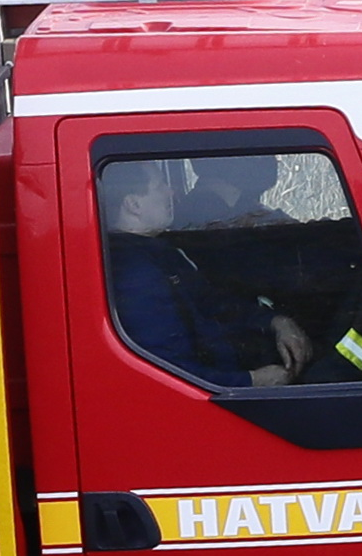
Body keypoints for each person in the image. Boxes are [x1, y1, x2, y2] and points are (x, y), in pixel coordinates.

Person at [101, 159, 310, 387]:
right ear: (133, 204)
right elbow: (167, 372)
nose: (171, 192)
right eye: (161, 186)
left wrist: (275, 322)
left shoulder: (162, 253)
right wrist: (251, 381)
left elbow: (214, 303)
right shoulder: (135, 276)